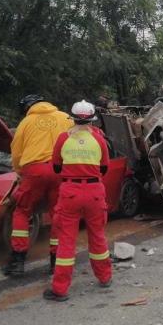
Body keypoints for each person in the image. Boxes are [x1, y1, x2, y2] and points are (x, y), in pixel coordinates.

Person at [43, 100, 112, 302]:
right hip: (94, 192)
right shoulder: (99, 140)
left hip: (70, 192)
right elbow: (105, 168)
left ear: (72, 118)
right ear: (92, 119)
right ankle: (105, 277)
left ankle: (60, 289)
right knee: (98, 236)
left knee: (66, 240)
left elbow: (56, 167)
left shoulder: (63, 138)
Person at [3, 95, 72, 277]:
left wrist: (19, 172)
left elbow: (16, 151)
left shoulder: (26, 122)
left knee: (22, 211)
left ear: (27, 108)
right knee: (58, 213)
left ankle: (18, 260)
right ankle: (56, 262)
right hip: (60, 170)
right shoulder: (64, 118)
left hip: (34, 171)